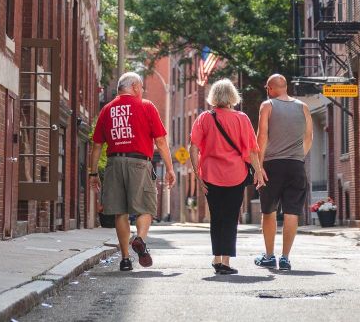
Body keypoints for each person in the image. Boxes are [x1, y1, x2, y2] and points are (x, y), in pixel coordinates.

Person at [89, 72, 176, 271]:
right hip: (139, 163)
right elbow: (161, 141)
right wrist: (169, 168)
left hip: (114, 163)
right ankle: (139, 239)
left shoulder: (107, 110)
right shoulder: (146, 106)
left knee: (120, 211)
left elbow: (96, 146)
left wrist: (93, 174)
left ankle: (126, 259)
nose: (142, 91)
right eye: (142, 87)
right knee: (145, 207)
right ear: (135, 87)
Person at [189, 78, 268, 275]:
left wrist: (198, 176)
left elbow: (193, 147)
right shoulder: (242, 118)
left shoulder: (205, 118)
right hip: (236, 175)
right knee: (231, 218)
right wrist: (258, 172)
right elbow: (251, 150)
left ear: (213, 96)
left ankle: (217, 258)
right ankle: (225, 261)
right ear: (233, 95)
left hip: (210, 175)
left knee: (216, 217)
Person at [254, 74, 312, 271]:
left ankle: (270, 256)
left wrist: (258, 166)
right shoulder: (303, 107)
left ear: (270, 89)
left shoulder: (267, 106)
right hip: (296, 165)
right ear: (285, 87)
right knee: (292, 211)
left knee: (268, 210)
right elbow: (309, 137)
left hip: (272, 165)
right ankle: (285, 257)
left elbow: (261, 137)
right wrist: (298, 156)